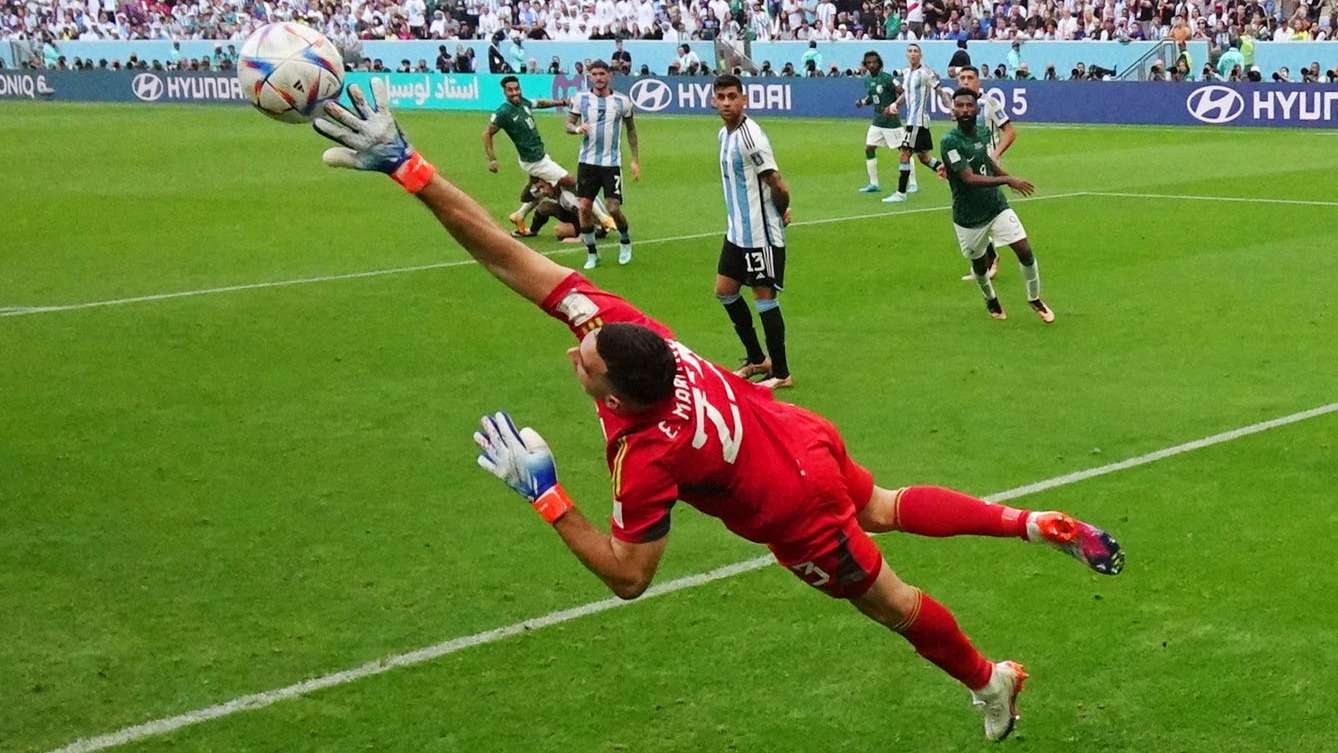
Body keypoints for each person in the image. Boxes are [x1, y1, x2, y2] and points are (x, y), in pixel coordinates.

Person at [309, 78, 1124, 743]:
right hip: (800, 437)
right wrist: (411, 169)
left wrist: (547, 495)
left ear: (617, 394)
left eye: (584, 361)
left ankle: (992, 680)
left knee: (897, 603)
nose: (575, 350)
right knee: (880, 503)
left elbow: (631, 577)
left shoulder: (643, 452)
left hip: (795, 509)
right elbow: (504, 251)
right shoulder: (634, 332)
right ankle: (1030, 522)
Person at [941, 88, 1054, 323]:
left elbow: (987, 164)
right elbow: (969, 179)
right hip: (969, 216)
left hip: (996, 206)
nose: (964, 110)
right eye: (959, 106)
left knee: (1024, 249)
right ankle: (990, 298)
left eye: (968, 105)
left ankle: (1035, 298)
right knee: (980, 265)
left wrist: (1007, 178)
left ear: (976, 108)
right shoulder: (949, 142)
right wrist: (1008, 179)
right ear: (953, 110)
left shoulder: (982, 133)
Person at [713, 75, 794, 390]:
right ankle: (757, 358)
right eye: (721, 97)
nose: (727, 103)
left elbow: (777, 182)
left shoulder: (751, 137)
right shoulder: (724, 135)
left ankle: (781, 372)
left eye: (732, 96)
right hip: (737, 232)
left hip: (760, 235)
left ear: (743, 99)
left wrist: (780, 209)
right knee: (724, 291)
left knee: (764, 298)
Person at [483, 76, 616, 237]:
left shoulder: (523, 103)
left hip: (538, 157)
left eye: (516, 89)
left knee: (540, 190)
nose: (514, 92)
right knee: (572, 182)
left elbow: (541, 103)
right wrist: (492, 159)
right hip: (535, 161)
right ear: (504, 92)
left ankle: (519, 215)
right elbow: (487, 134)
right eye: (510, 90)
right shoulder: (503, 112)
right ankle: (603, 218)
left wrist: (562, 102)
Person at [566, 60, 640, 268]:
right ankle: (592, 253)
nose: (598, 78)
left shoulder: (622, 102)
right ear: (590, 76)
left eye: (602, 74)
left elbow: (631, 130)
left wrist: (635, 160)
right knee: (584, 207)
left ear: (609, 76)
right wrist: (577, 129)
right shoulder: (581, 99)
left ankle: (625, 240)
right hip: (587, 162)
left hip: (611, 163)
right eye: (595, 74)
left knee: (613, 208)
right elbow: (568, 124)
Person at [955, 64, 1016, 282]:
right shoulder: (961, 106)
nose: (965, 81)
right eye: (962, 77)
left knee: (984, 213)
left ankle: (991, 259)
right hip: (966, 169)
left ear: (978, 81)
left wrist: (996, 154)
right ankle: (988, 258)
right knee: (973, 215)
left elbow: (1009, 131)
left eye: (970, 77)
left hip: (987, 169)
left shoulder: (989, 103)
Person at [885, 43, 950, 204]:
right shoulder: (907, 72)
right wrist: (895, 104)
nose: (913, 54)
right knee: (924, 158)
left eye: (916, 51)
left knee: (905, 153)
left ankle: (901, 192)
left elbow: (941, 91)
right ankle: (953, 175)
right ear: (906, 55)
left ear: (921, 55)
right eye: (910, 51)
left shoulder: (926, 72)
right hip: (912, 121)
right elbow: (907, 94)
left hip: (917, 121)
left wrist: (951, 107)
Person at [855, 50, 902, 195]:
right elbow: (872, 97)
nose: (871, 65)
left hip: (891, 122)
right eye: (868, 63)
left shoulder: (887, 78)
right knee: (869, 148)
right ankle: (874, 184)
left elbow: (902, 91)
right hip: (877, 121)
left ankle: (912, 184)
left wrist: (895, 106)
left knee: (904, 151)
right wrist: (863, 102)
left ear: (879, 64)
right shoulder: (868, 80)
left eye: (874, 62)